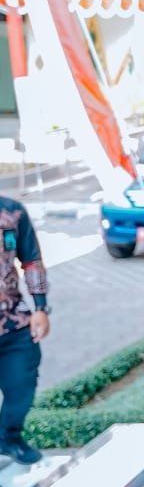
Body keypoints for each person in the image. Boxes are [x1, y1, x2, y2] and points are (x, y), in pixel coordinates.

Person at [0, 196, 48, 466]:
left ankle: (8, 437)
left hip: (13, 322)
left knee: (22, 387)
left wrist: (40, 307)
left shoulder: (12, 212)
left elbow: (31, 260)